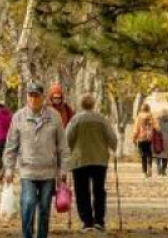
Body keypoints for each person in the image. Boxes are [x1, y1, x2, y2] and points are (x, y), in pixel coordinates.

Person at [4, 81, 70, 238]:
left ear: (43, 97)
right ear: (26, 97)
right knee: (28, 203)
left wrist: (63, 170)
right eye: (30, 95)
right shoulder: (18, 117)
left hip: (48, 171)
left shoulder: (54, 117)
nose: (33, 99)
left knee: (44, 208)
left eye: (36, 96)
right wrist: (9, 168)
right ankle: (27, 235)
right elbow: (11, 146)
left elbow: (63, 146)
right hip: (27, 170)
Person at [66, 93, 118, 232]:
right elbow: (112, 138)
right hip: (99, 159)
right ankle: (99, 220)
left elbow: (67, 139)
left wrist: (68, 152)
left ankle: (86, 221)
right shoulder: (102, 119)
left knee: (81, 191)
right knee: (99, 190)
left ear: (81, 104)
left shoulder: (75, 120)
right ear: (94, 104)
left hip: (80, 159)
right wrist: (113, 148)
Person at [132, 103, 155, 178]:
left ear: (142, 109)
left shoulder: (139, 116)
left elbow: (136, 128)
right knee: (149, 153)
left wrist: (134, 138)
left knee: (143, 155)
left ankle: (144, 172)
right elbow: (156, 126)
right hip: (149, 138)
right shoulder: (151, 116)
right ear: (148, 108)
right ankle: (150, 168)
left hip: (141, 138)